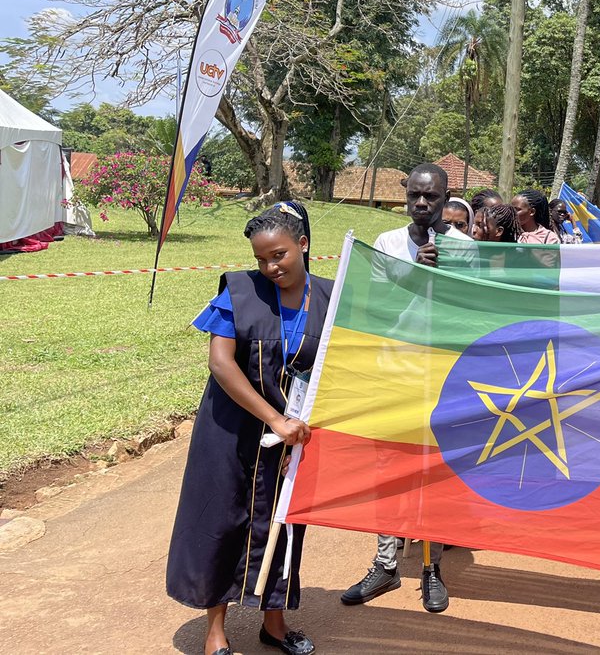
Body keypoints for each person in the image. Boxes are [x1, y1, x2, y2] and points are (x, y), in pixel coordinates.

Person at [167, 201, 332, 655]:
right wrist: (275, 418)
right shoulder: (239, 292)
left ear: (302, 244)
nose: (270, 266)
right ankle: (216, 629)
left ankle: (274, 624)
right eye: (261, 258)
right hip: (231, 428)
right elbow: (221, 363)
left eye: (278, 254)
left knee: (282, 523)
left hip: (293, 437)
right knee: (221, 519)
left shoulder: (331, 298)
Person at [341, 164, 469, 614]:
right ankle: (386, 563)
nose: (421, 204)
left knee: (433, 470)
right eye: (414, 195)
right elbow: (376, 305)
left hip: (444, 377)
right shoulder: (387, 244)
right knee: (388, 469)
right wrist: (413, 272)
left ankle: (432, 568)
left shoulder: (464, 248)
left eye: (431, 197)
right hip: (393, 372)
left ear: (447, 197)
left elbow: (472, 312)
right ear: (405, 194)